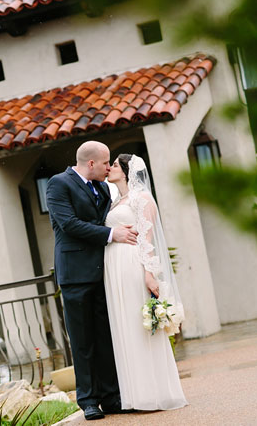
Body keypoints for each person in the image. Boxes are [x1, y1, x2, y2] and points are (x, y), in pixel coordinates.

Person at [46, 140, 138, 421]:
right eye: (106, 162)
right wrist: (113, 235)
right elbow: (69, 224)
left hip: (104, 272)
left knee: (105, 336)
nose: (109, 167)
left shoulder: (102, 187)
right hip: (75, 275)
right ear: (90, 164)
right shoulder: (58, 184)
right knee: (83, 340)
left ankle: (111, 396)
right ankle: (88, 400)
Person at [103, 154, 187, 410]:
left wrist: (149, 273)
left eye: (115, 165)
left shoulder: (142, 199)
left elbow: (147, 238)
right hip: (113, 268)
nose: (110, 168)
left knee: (138, 327)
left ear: (127, 171)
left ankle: (154, 393)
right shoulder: (117, 201)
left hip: (132, 266)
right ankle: (134, 394)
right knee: (124, 326)